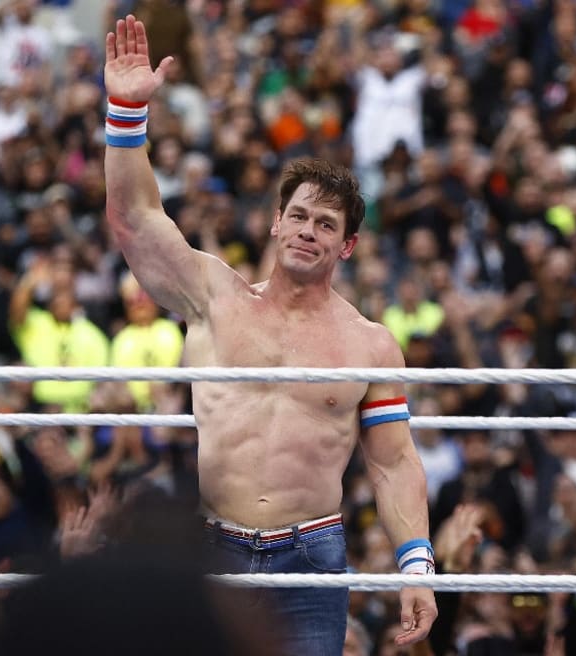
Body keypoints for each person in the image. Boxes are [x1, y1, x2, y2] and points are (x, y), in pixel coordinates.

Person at [103, 15, 438, 655]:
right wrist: (126, 113)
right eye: (300, 216)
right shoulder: (212, 299)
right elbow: (134, 219)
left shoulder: (370, 345)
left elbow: (393, 461)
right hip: (212, 545)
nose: (310, 230)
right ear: (275, 225)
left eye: (326, 224)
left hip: (311, 555)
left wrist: (416, 567)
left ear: (348, 246)